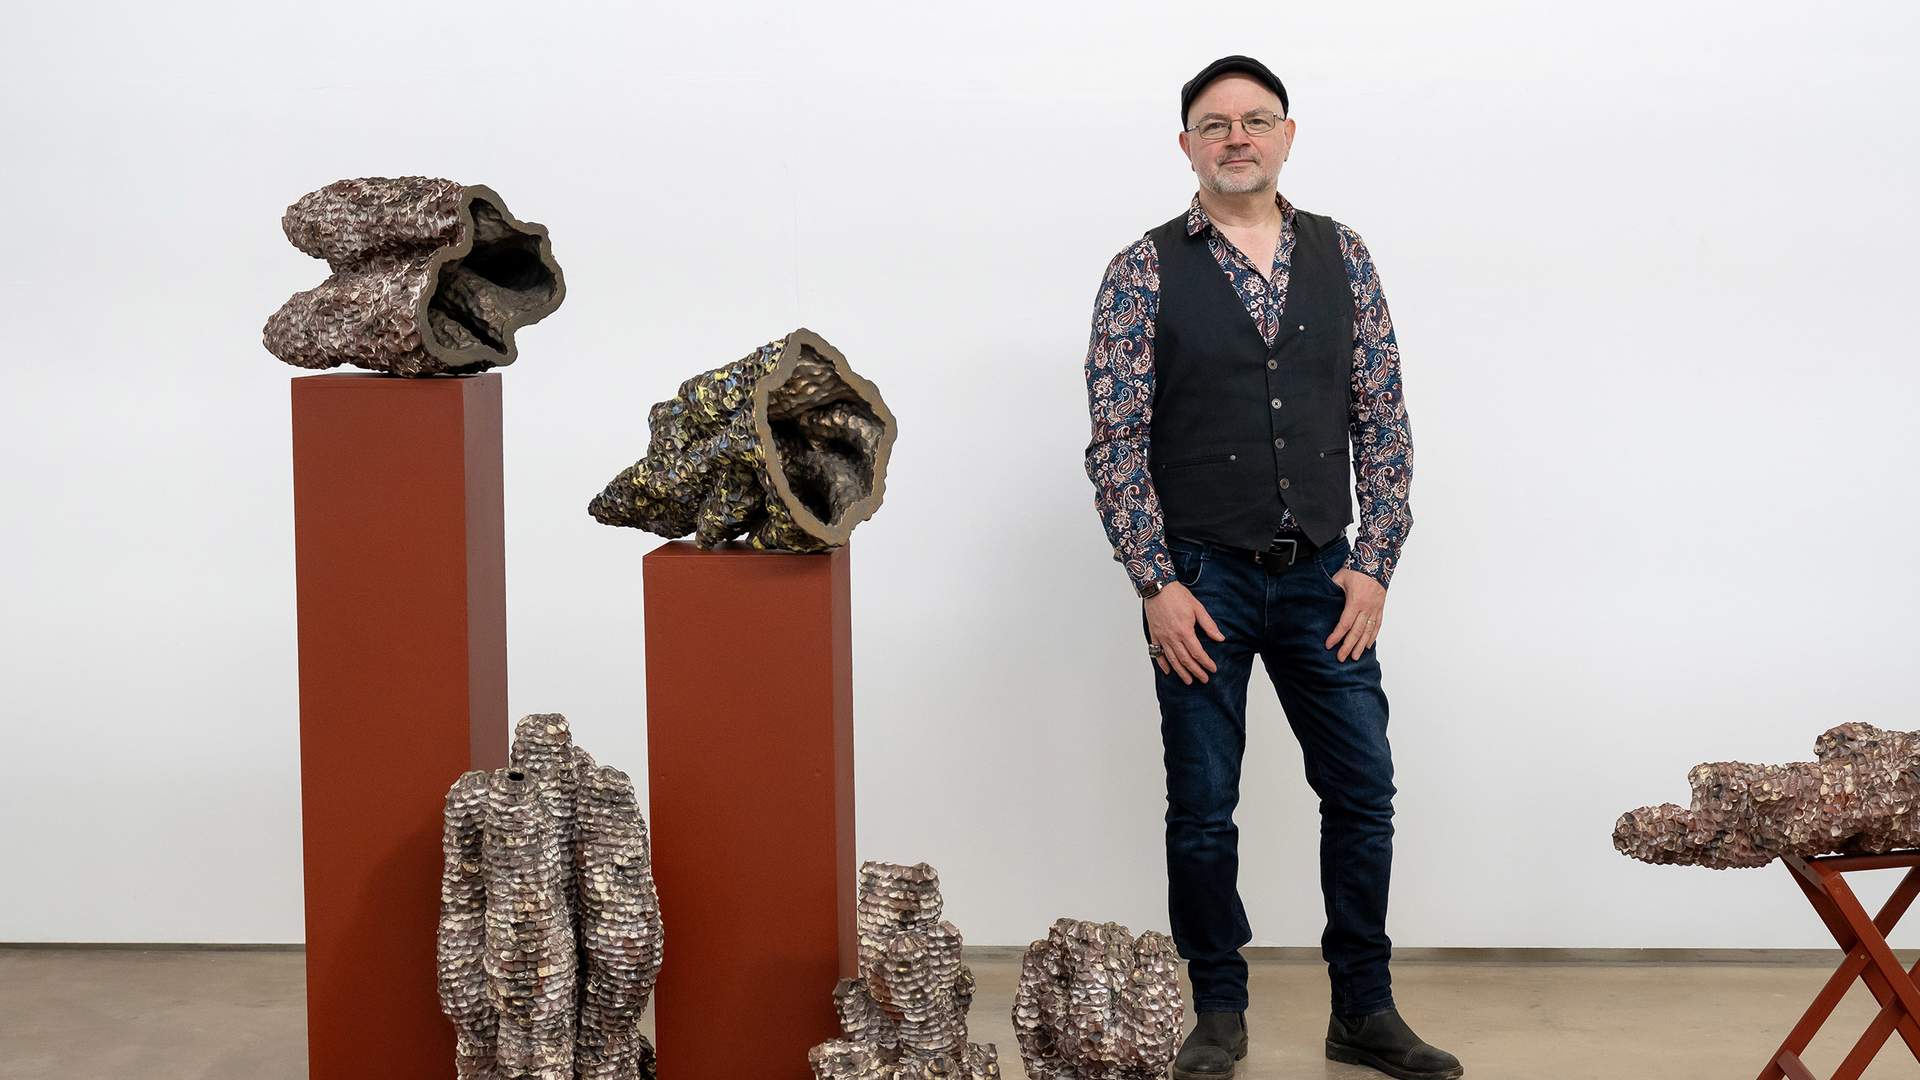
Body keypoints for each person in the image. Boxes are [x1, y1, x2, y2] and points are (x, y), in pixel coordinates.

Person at [1081, 56, 1461, 1080]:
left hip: (1325, 578)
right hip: (1199, 577)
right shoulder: (1142, 269)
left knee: (1365, 791)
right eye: (1215, 124)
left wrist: (1374, 565)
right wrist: (1156, 583)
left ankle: (1364, 1010)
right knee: (1203, 805)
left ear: (1288, 135)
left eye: (1255, 120)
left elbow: (1383, 420)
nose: (1236, 137)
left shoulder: (1346, 255)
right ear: (1188, 146)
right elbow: (1116, 442)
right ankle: (1218, 1010)